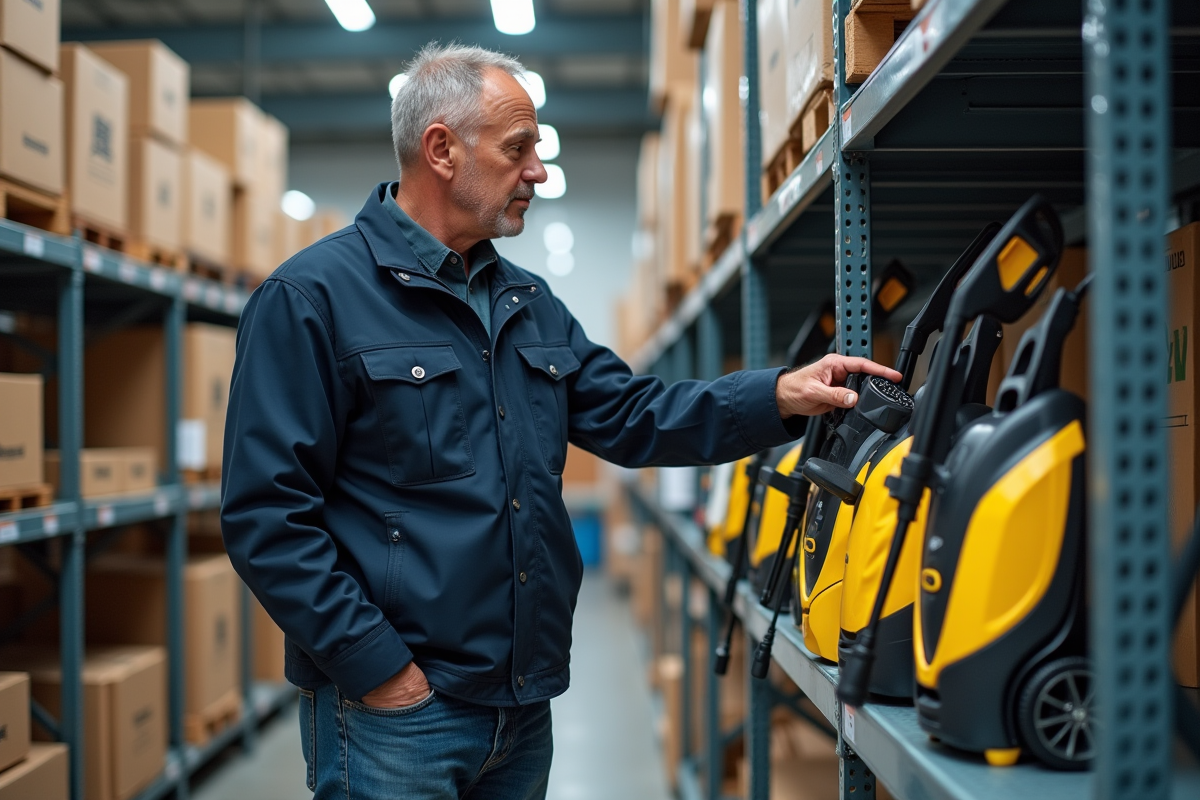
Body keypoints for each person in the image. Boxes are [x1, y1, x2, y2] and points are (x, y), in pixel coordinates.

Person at [221, 42, 901, 800]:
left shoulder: (527, 301)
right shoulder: (312, 299)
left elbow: (633, 414)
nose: (537, 174)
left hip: (521, 702)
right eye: (518, 151)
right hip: (396, 714)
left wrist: (779, 395)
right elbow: (267, 515)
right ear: (441, 149)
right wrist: (378, 667)